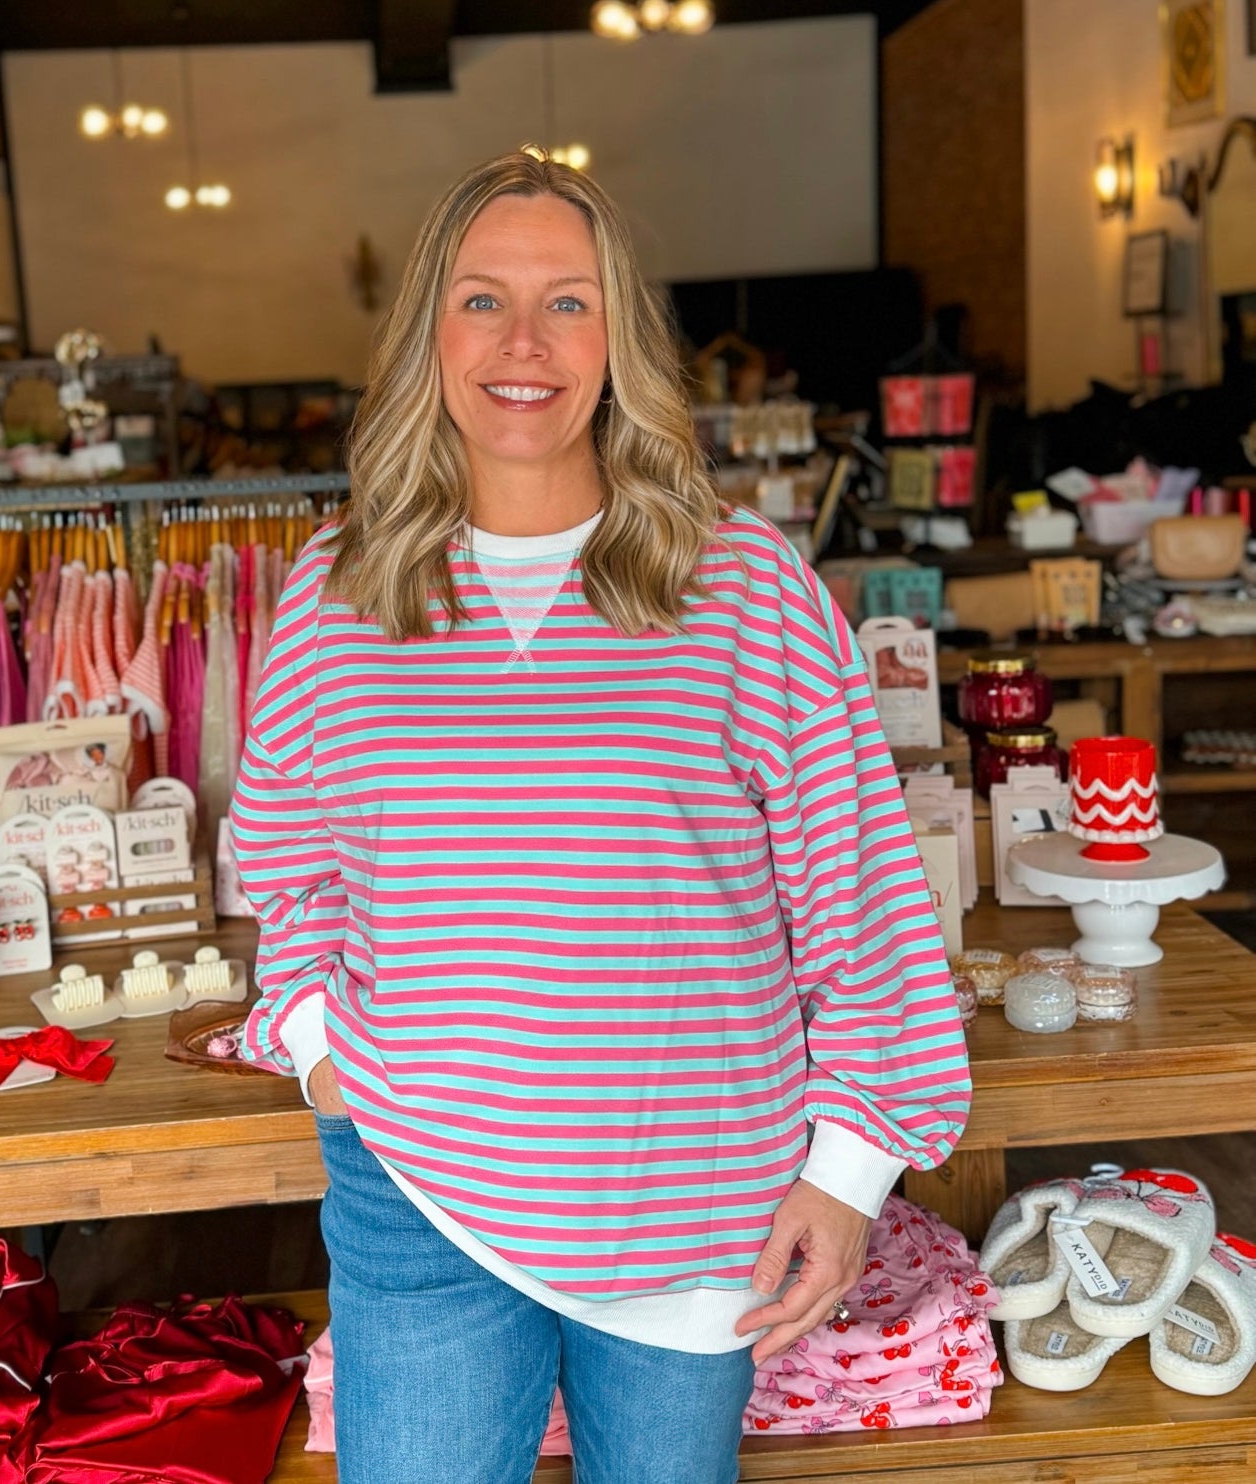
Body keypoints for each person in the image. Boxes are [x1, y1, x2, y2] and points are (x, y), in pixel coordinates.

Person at [229, 152, 971, 1484]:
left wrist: (852, 1172)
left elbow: (857, 896)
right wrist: (317, 1045)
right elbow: (289, 867)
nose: (523, 341)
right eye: (482, 300)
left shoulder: (743, 586)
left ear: (621, 339)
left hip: (698, 1194)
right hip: (415, 1184)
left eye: (568, 302)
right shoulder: (335, 596)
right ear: (427, 335)